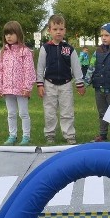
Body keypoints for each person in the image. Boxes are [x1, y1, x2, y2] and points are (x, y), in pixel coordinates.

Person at [36, 13, 86, 145]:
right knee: (50, 112)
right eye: (55, 29)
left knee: (67, 111)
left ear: (65, 30)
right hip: (49, 84)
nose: (58, 32)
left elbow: (76, 67)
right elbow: (40, 67)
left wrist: (80, 83)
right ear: (49, 30)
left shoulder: (69, 49)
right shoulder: (45, 48)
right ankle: (50, 135)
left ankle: (69, 134)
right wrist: (40, 84)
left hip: (66, 84)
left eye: (61, 29)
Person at [0, 21, 36, 145]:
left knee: (23, 113)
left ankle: (26, 136)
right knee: (11, 113)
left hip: (21, 89)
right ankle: (12, 135)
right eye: (6, 34)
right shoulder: (3, 53)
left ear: (18, 34)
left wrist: (27, 87)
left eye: (12, 33)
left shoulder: (25, 52)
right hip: (7, 89)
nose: (9, 36)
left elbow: (29, 70)